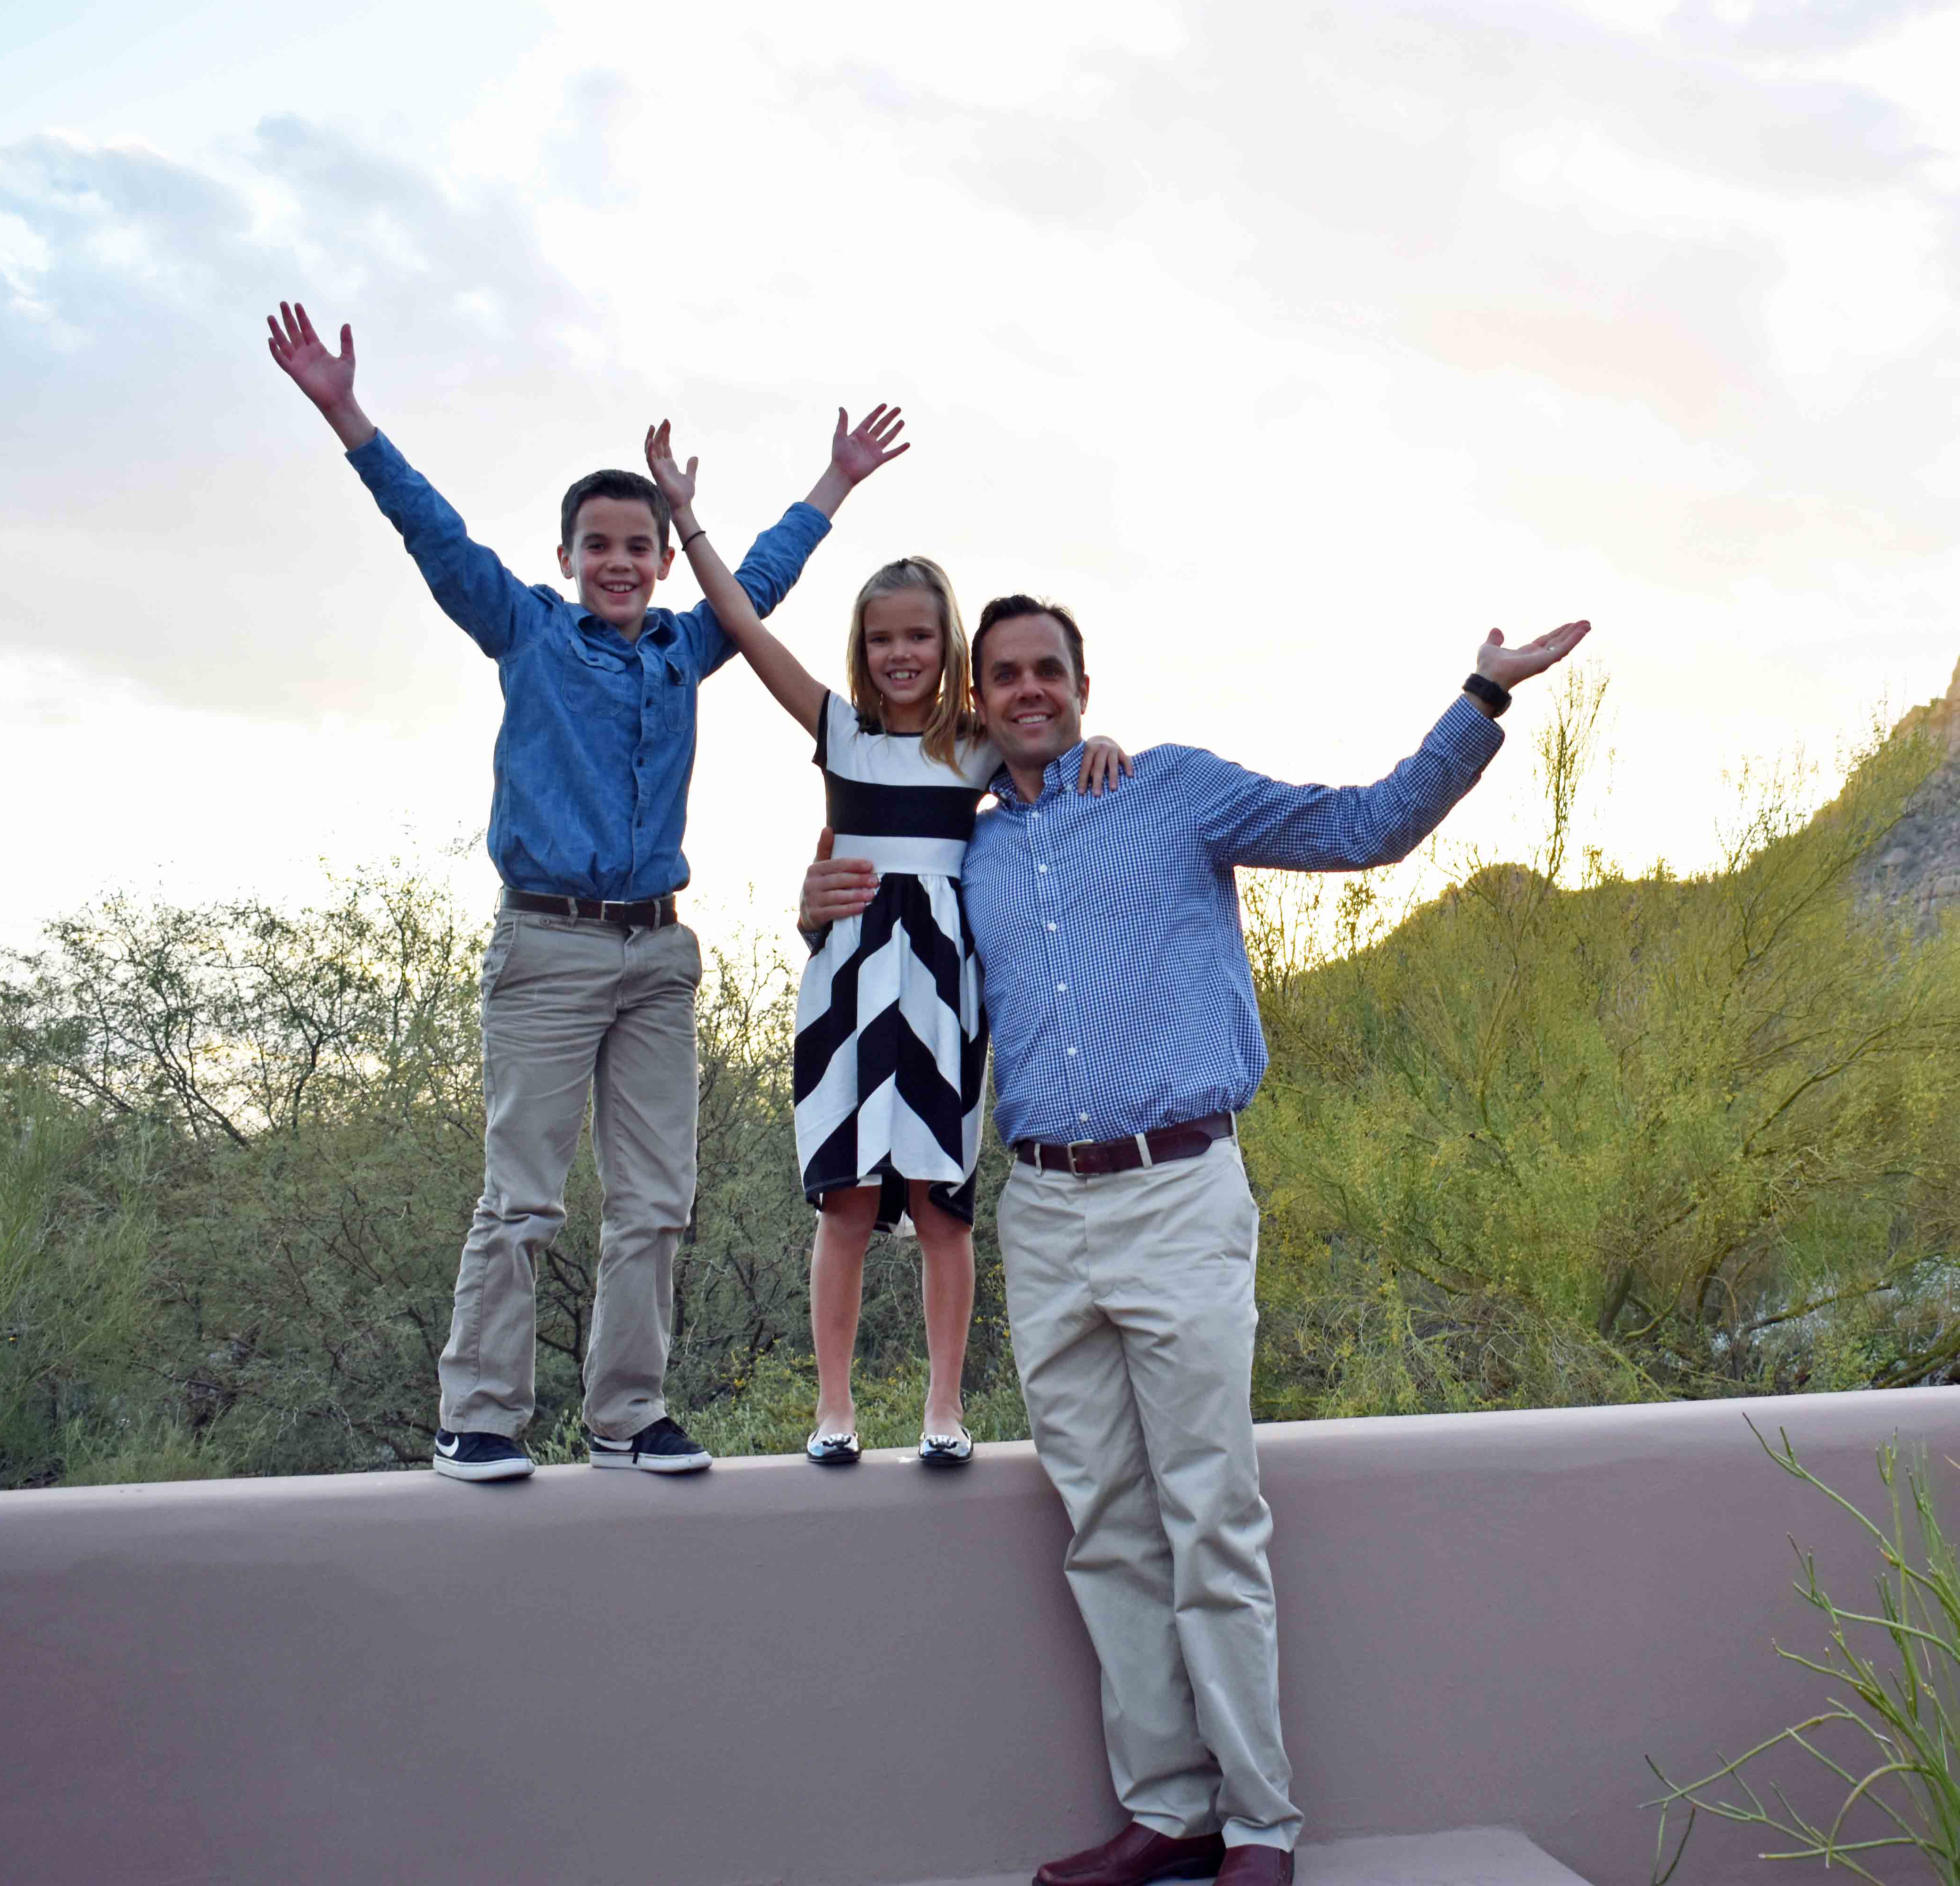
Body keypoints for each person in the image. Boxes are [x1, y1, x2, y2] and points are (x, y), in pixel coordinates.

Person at [800, 596, 1590, 1885]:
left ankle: (1262, 1826)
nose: (1027, 691)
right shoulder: (972, 855)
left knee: (1210, 1516)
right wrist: (812, 906)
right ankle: (1168, 1810)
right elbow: (895, 975)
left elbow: (1367, 828)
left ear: (1083, 680)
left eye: (1046, 670)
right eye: (1002, 678)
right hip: (1045, 1214)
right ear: (979, 703)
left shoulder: (1175, 792)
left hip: (1180, 1194)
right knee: (1105, 1526)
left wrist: (1484, 694)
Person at [263, 301, 904, 1484]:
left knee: (658, 1200)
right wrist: (346, 413)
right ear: (566, 557)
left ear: (664, 562)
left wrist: (834, 480)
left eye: (638, 547)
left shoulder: (684, 647)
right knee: (525, 1199)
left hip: (657, 954)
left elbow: (757, 576)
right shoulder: (526, 631)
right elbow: (433, 532)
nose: (618, 563)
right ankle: (480, 1416)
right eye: (597, 544)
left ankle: (627, 1414)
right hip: (549, 947)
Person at [639, 422, 1127, 1469]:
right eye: (879, 639)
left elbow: (1056, 742)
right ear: (861, 649)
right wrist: (690, 515)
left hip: (947, 990)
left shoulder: (977, 746)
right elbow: (736, 617)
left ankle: (945, 1411)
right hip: (849, 985)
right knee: (849, 1203)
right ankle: (835, 1411)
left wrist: (1109, 745)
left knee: (945, 1210)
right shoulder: (838, 731)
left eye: (917, 636)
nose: (899, 653)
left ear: (946, 644)